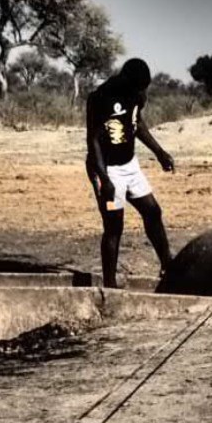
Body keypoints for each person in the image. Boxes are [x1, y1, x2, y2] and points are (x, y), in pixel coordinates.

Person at [85, 58, 175, 289]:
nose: (141, 92)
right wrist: (104, 180)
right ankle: (110, 285)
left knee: (152, 211)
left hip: (130, 166)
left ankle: (168, 265)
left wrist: (159, 152)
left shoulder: (137, 94)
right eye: (138, 87)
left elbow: (137, 123)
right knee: (114, 224)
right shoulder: (100, 97)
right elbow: (93, 140)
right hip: (107, 170)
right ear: (126, 79)